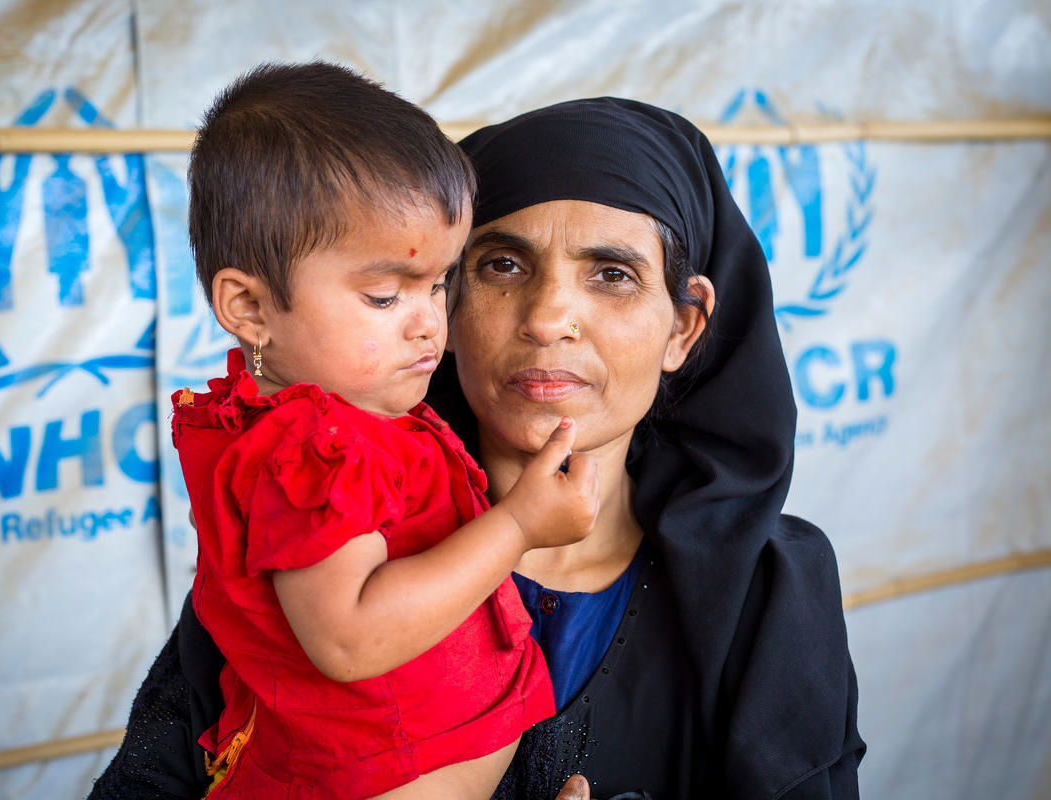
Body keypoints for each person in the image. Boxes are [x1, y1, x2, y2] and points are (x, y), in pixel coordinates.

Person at [91, 95, 863, 800]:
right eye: (502, 265)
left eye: (612, 274)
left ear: (683, 330)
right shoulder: (312, 549)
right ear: (450, 305)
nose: (547, 318)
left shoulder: (771, 596)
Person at [163, 62, 600, 800]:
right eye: (384, 295)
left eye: (440, 283)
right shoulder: (312, 448)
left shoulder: (362, 421)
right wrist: (519, 525)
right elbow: (350, 637)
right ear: (249, 308)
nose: (429, 322)